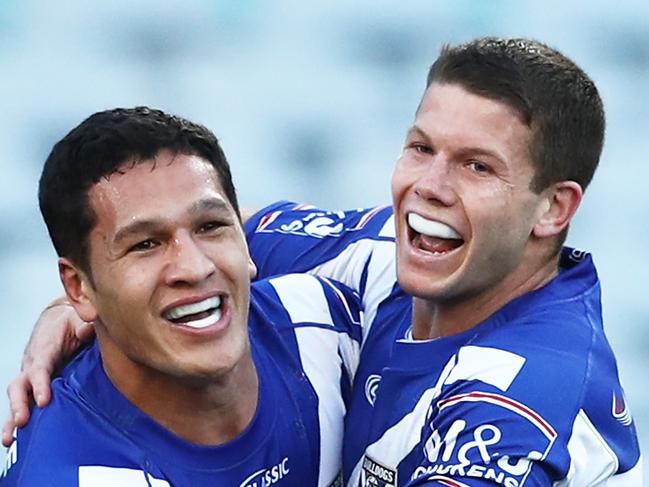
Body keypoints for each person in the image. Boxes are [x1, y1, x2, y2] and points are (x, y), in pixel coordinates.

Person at [4, 37, 644, 486]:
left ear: (554, 210)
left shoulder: (518, 396)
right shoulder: (376, 257)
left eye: (478, 166)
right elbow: (207, 243)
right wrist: (77, 308)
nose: (430, 187)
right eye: (421, 148)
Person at [0, 107, 362, 486]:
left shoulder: (327, 323)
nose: (194, 267)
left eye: (210, 226)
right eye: (145, 244)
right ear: (78, 287)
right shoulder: (74, 474)